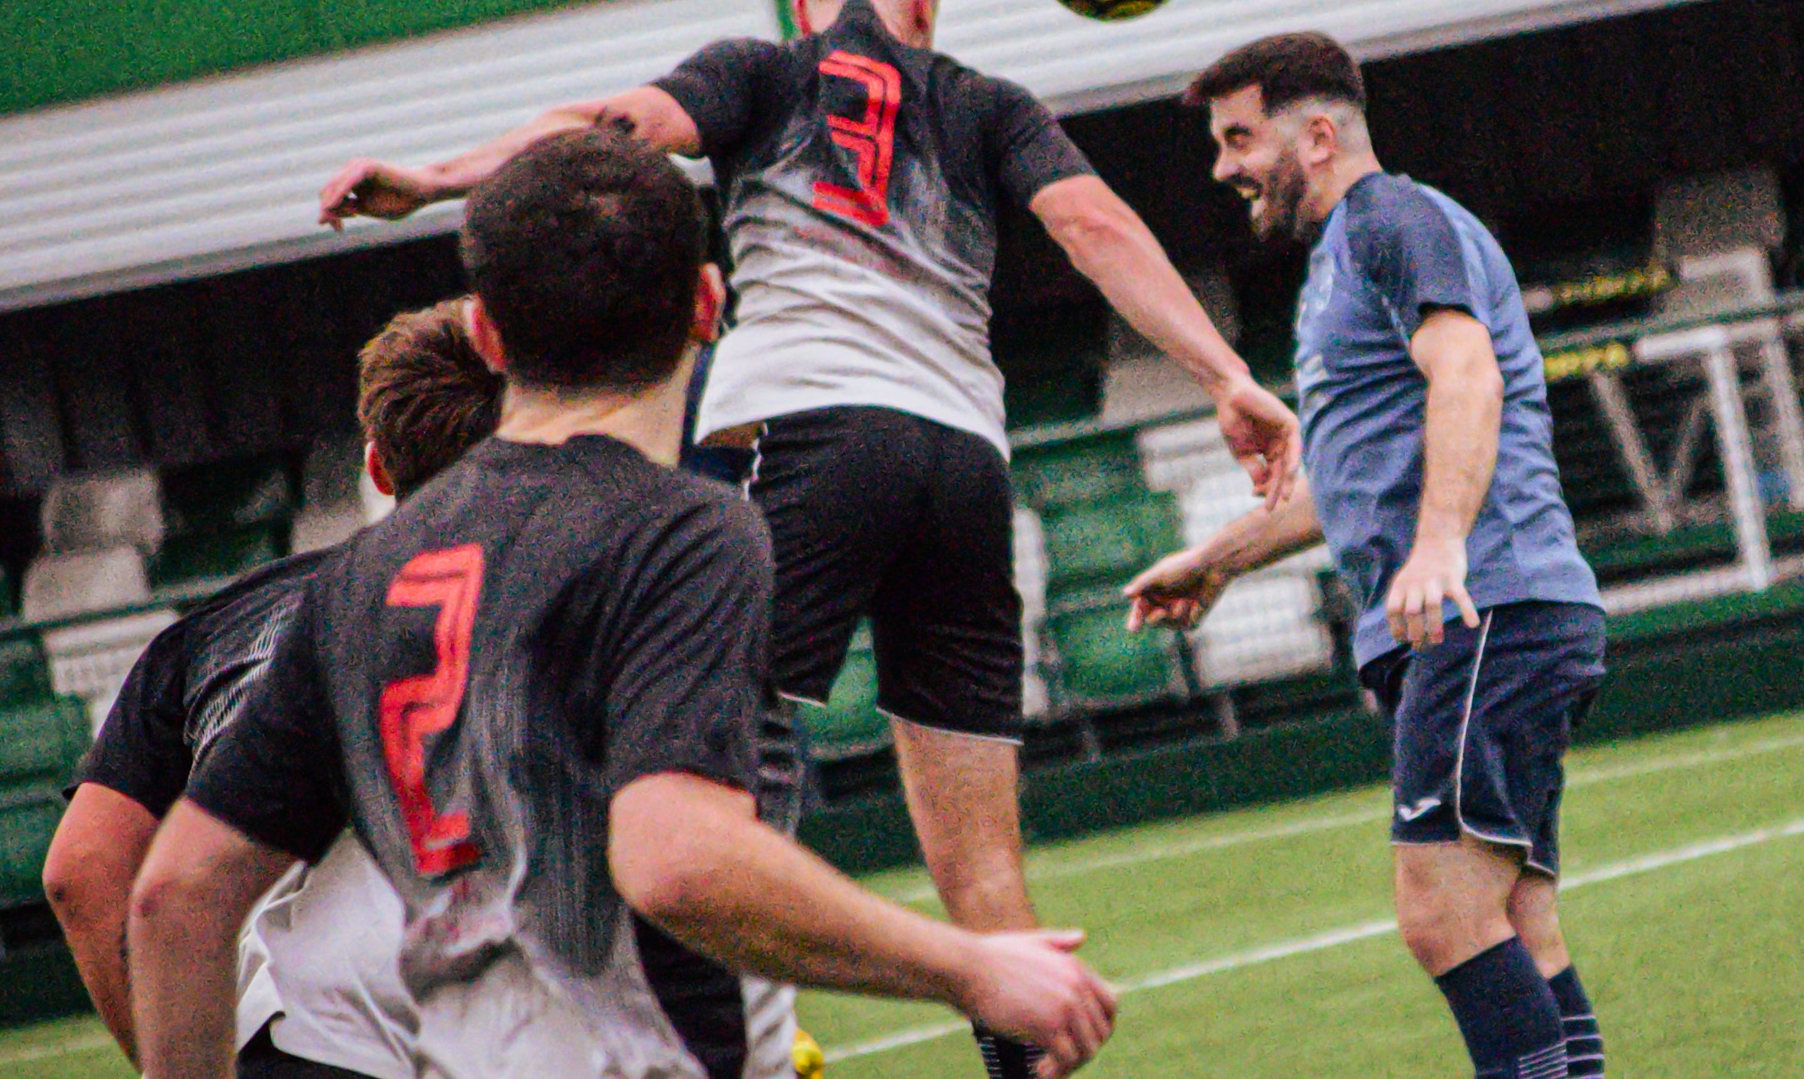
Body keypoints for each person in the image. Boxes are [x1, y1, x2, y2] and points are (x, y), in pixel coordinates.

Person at [316, 0, 1296, 1079]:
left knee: (688, 757)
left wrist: (433, 180)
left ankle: (682, 1032)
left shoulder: (760, 71)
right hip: (961, 467)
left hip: (807, 436)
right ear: (924, 0)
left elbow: (599, 131)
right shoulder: (988, 103)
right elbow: (1090, 222)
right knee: (986, 881)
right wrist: (1228, 375)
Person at [131, 130, 1116, 1079]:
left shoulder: (359, 576)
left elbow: (176, 894)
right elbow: (678, 859)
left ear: (486, 329)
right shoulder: (680, 533)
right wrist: (973, 966)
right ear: (706, 301)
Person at [1126, 33, 1610, 1079]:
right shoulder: (1345, 254)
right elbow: (1350, 481)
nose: (1224, 167)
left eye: (1237, 137)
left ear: (1315, 132)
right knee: (1515, 922)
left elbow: (1467, 372)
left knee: (1440, 914)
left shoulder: (1392, 219)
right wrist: (1218, 557)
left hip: (1484, 607)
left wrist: (1440, 544)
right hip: (1488, 612)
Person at [44, 299, 503, 1079]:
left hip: (301, 1044)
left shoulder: (206, 635)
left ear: (377, 467)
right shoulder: (571, 594)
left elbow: (79, 873)